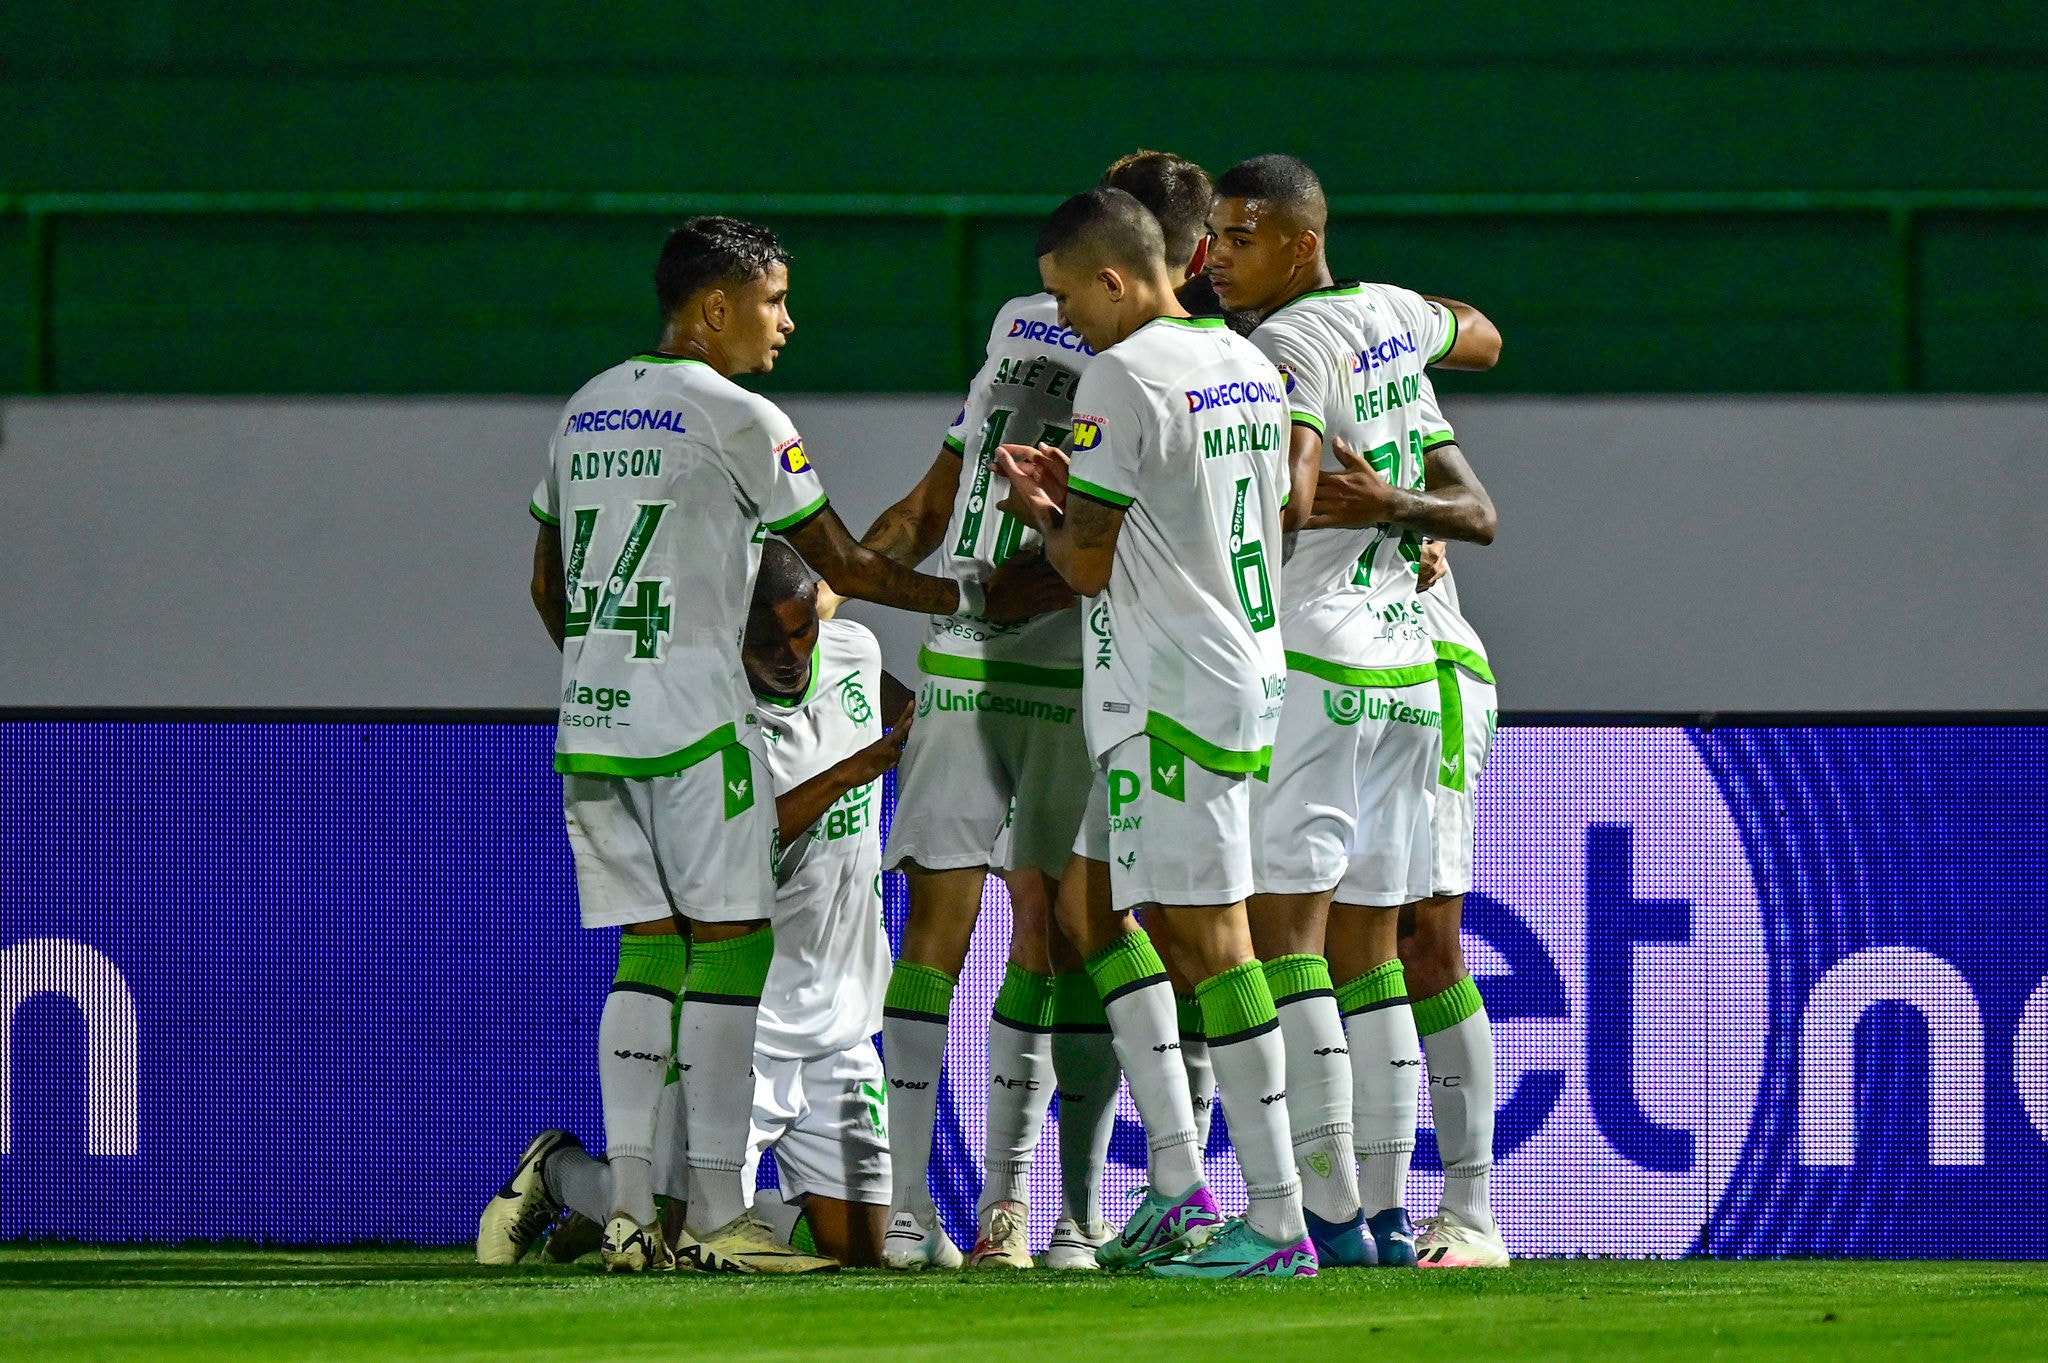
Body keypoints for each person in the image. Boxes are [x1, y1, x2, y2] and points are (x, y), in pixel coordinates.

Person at [517, 216, 959, 1273]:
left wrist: (603, 678)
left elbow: (546, 582)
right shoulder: (739, 415)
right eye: (772, 301)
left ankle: (628, 1211)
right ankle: (717, 1216)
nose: (785, 323)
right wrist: (968, 595)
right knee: (728, 951)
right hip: (696, 727)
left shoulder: (584, 408)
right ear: (714, 307)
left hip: (595, 724)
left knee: (645, 951)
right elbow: (841, 556)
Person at [857, 152, 1221, 1271]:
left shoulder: (1198, 368)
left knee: (1072, 928)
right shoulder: (1034, 318)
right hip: (978, 657)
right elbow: (940, 487)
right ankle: (926, 1210)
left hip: (1081, 663)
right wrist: (840, 589)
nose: (1061, 301)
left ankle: (1061, 1211)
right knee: (970, 925)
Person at [996, 187, 1314, 1279]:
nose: (1063, 317)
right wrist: (1082, 494)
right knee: (1091, 903)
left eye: (1064, 294)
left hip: (1172, 686)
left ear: (1114, 278)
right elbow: (1272, 507)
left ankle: (1275, 1223)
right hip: (1227, 662)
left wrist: (1040, 507)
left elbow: (1082, 564)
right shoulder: (1243, 362)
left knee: (1213, 938)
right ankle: (1178, 1186)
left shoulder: (1120, 375)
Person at [1206, 154, 1501, 1267]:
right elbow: (1479, 334)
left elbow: (1286, 497)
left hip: (1338, 662)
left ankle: (1334, 1213)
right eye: (1214, 237)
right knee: (1375, 948)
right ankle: (1386, 1213)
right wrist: (1404, 500)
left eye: (1239, 237)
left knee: (1304, 942)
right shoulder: (1380, 316)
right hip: (1405, 665)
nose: (1216, 259)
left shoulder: (1275, 350)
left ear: (1297, 239)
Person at [478, 543, 913, 1271]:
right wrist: (855, 769)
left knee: (863, 1252)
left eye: (799, 631)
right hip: (744, 1023)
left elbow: (901, 707)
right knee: (679, 1238)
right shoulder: (708, 716)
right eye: (764, 643)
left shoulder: (853, 650)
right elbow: (739, 840)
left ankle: (603, 1207)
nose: (788, 656)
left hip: (842, 1020)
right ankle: (563, 1174)